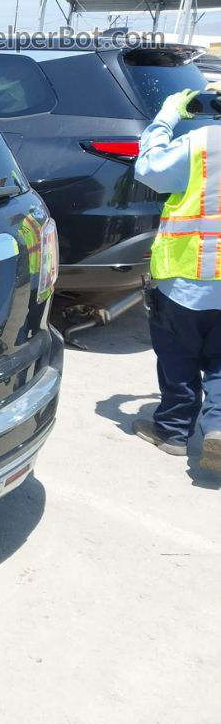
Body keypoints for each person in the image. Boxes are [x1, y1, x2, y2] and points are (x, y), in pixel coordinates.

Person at [133, 86, 221, 472]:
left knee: (177, 355)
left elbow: (149, 170)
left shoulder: (202, 143)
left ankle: (172, 432)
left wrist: (167, 115)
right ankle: (217, 428)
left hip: (186, 278)